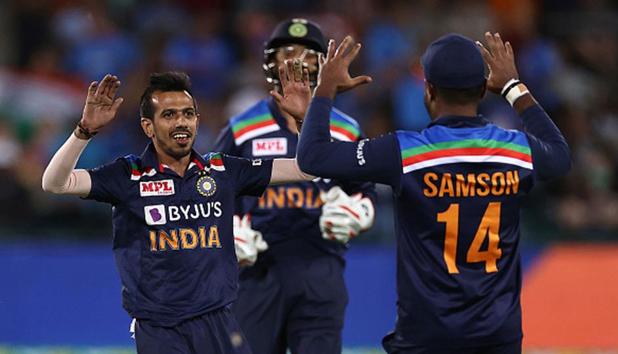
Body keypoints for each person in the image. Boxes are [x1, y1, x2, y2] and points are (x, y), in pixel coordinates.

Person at [280, 32, 571, 353]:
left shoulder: (404, 151)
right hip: (497, 336)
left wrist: (324, 91)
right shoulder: (516, 150)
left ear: (429, 90)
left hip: (426, 335)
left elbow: (312, 157)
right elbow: (560, 155)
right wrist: (514, 87)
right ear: (482, 90)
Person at [41, 72, 314, 354]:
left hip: (219, 321)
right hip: (160, 329)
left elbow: (306, 169)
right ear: (148, 126)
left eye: (188, 114)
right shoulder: (128, 176)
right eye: (169, 115)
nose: (181, 122)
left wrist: (305, 121)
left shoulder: (223, 170)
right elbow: (54, 183)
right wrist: (84, 130)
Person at [213, 18, 376, 354]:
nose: (297, 60)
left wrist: (361, 212)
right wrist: (225, 231)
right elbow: (209, 189)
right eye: (288, 51)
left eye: (308, 53)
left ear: (322, 64)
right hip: (256, 270)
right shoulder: (243, 129)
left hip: (321, 266)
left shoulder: (345, 130)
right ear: (271, 61)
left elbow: (365, 192)